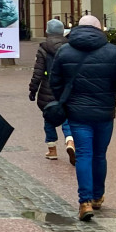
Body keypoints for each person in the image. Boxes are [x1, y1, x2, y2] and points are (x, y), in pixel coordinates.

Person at [50, 14, 116, 222]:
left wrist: (66, 99)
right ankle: (97, 196)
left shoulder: (65, 51)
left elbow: (55, 81)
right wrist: (108, 87)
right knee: (99, 155)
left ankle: (84, 202)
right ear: (99, 29)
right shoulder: (111, 51)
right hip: (105, 112)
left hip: (77, 113)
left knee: (84, 155)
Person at [29, 19, 74, 163]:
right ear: (63, 32)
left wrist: (33, 90)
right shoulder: (70, 46)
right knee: (67, 118)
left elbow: (38, 72)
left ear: (47, 32)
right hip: (67, 89)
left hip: (47, 89)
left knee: (49, 117)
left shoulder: (43, 48)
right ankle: (70, 141)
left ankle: (52, 150)